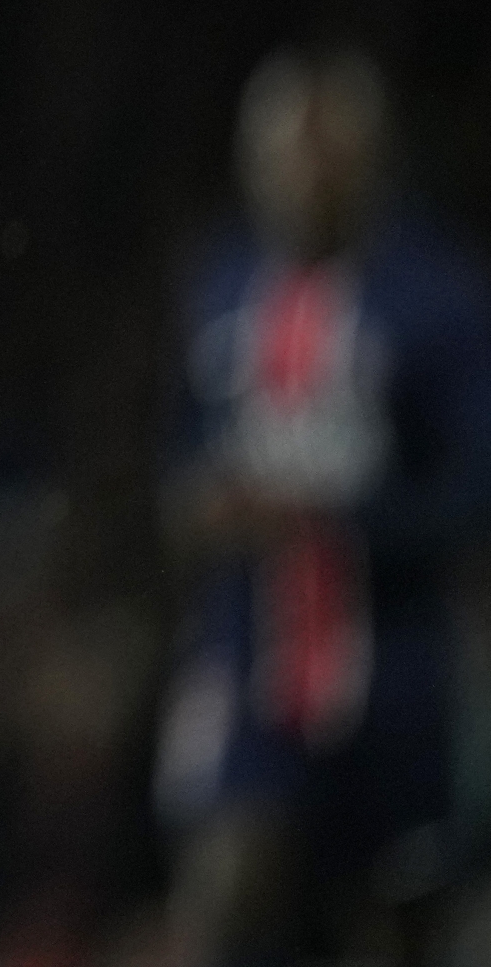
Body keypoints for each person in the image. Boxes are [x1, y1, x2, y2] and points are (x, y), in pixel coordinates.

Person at [156, 49, 491, 965]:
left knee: (391, 927)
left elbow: (472, 491)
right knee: (229, 883)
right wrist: (195, 509)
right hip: (252, 662)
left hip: (397, 672)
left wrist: (335, 521)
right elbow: (184, 449)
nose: (304, 176)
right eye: (285, 155)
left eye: (325, 155)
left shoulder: (439, 296)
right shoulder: (222, 290)